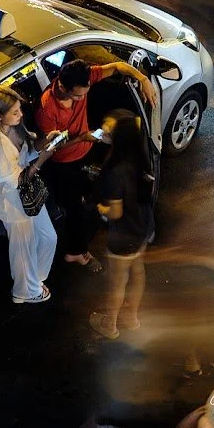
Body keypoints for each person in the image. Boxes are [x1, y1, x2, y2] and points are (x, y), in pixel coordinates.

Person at [38, 58, 157, 273]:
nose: (82, 98)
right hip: (64, 162)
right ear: (63, 87)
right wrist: (82, 137)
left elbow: (117, 66)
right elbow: (51, 148)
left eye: (85, 93)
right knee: (76, 210)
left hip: (85, 150)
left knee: (90, 195)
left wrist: (143, 79)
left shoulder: (85, 75)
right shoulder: (47, 109)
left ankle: (88, 225)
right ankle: (76, 253)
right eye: (77, 95)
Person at [0, 86, 61, 304]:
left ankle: (34, 281)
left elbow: (29, 148)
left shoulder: (16, 129)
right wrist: (42, 160)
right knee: (22, 251)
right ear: (0, 116)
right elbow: (15, 179)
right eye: (15, 112)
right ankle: (24, 292)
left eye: (20, 110)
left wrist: (46, 141)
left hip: (29, 197)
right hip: (14, 204)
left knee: (48, 237)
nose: (21, 115)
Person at [89, 109, 156, 340]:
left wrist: (100, 209)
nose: (105, 130)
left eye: (110, 129)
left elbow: (115, 212)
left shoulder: (114, 172)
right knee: (138, 271)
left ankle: (110, 325)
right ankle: (132, 319)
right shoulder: (141, 156)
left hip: (124, 234)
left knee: (117, 283)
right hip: (144, 226)